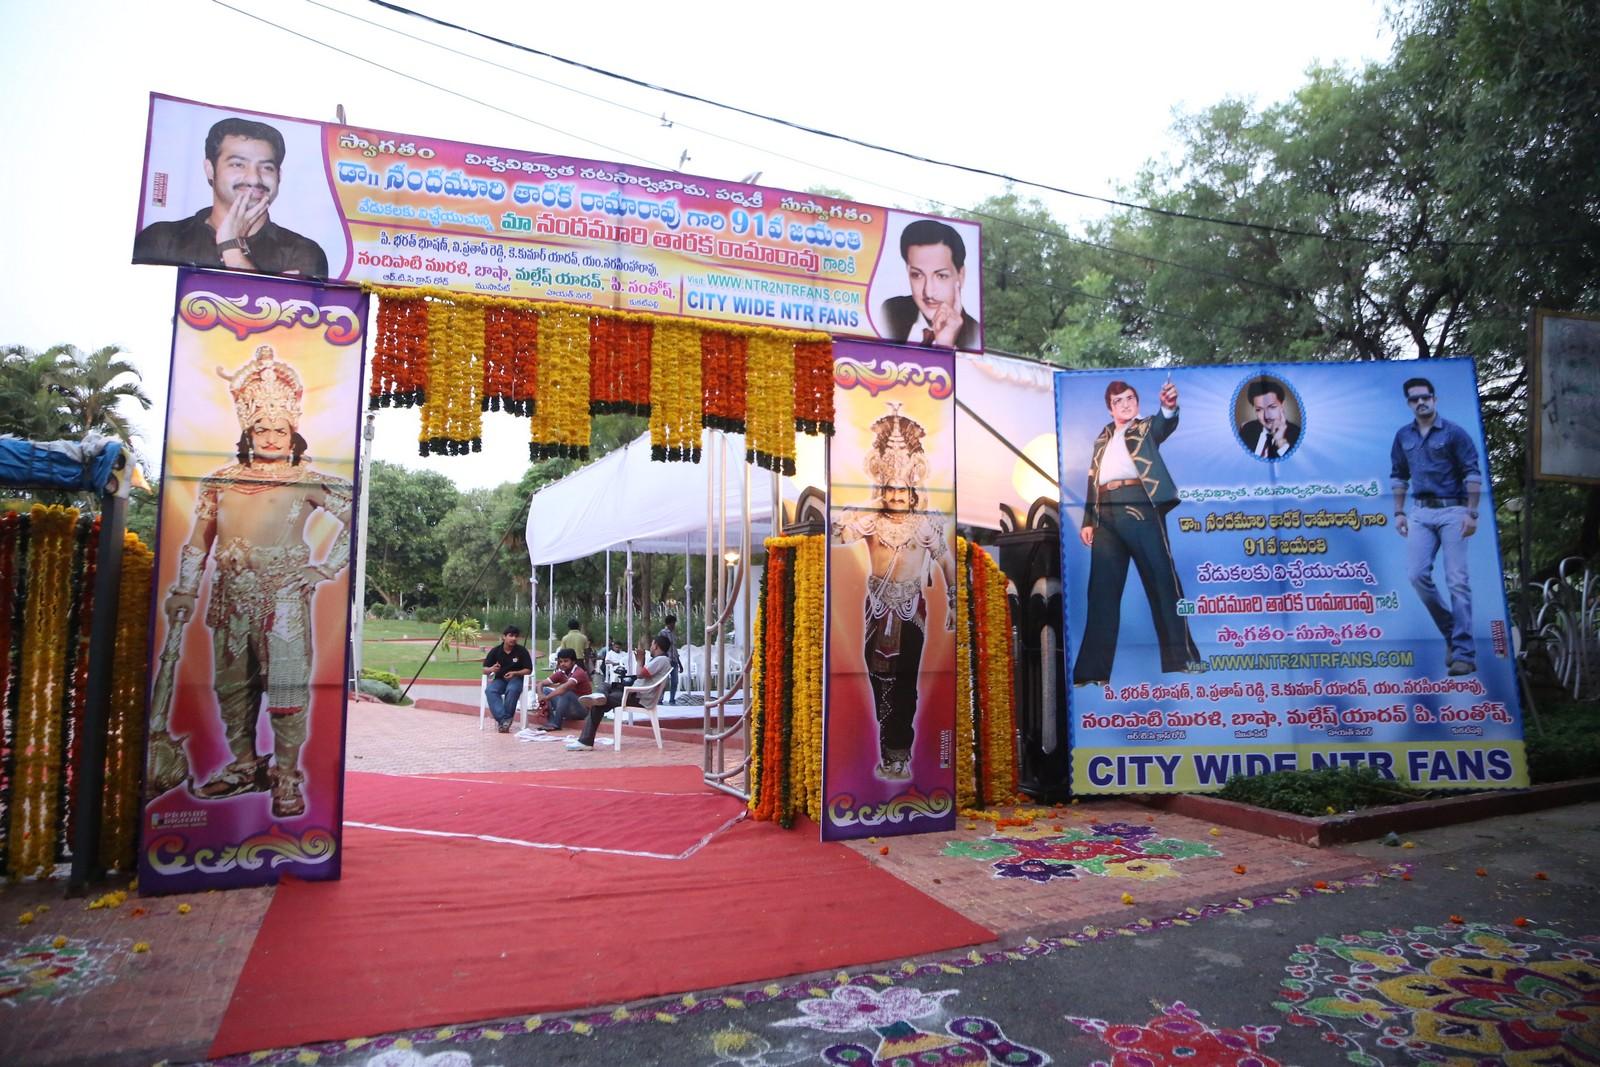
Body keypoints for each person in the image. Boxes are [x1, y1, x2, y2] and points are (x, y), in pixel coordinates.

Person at [161, 345, 351, 818]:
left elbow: (356, 521)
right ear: (248, 430)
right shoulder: (220, 481)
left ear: (294, 433)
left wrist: (324, 568)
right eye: (262, 428)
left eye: (280, 428)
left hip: (284, 597)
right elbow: (198, 542)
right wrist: (185, 588)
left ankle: (286, 774)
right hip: (228, 600)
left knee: (285, 690)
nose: (270, 436)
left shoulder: (309, 480)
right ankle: (244, 765)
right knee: (232, 688)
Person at [830, 404, 957, 781]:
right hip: (876, 611)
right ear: (881, 486)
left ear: (914, 488)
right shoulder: (869, 520)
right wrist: (868, 504)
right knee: (876, 678)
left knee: (904, 683)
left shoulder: (926, 524)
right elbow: (836, 535)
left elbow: (947, 563)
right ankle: (887, 747)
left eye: (903, 489)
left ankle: (899, 753)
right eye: (890, 488)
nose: (897, 495)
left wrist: (953, 601)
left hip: (911, 611)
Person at [1073, 378, 1202, 686]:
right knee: (1101, 592)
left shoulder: (1145, 428)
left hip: (1139, 504)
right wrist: (1089, 519)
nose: (1126, 404)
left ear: (1137, 402)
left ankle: (1183, 658)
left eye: (1130, 398)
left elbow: (1164, 425)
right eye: (1119, 401)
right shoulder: (1102, 437)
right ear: (1110, 407)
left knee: (1162, 580)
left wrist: (1169, 407)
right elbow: (1093, 478)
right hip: (1105, 510)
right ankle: (1092, 671)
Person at [133, 116, 329, 278]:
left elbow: (284, 322)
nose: (254, 178)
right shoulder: (162, 240)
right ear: (210, 169)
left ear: (280, 176)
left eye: (267, 167)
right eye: (238, 164)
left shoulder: (302, 252)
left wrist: (232, 247)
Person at [1390, 377, 1484, 677]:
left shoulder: (1455, 433)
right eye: (1415, 399)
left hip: (1454, 510)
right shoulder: (1403, 436)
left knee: (1457, 580)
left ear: (1435, 398)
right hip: (1420, 513)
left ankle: (1464, 654)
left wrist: (1472, 513)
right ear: (1409, 403)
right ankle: (1452, 635)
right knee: (1417, 575)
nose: (1421, 402)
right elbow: (1398, 475)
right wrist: (1399, 513)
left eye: (1425, 397)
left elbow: (1472, 472)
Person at [878, 219, 980, 349]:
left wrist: (945, 346)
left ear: (961, 275)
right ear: (907, 270)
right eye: (917, 275)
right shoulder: (890, 311)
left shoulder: (974, 335)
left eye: (941, 276)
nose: (929, 292)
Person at [565, 634, 674, 751]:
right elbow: (642, 675)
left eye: (652, 644)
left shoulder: (661, 660)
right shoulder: (661, 660)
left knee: (598, 705)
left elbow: (640, 674)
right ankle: (600, 695)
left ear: (656, 646)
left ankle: (585, 741)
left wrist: (640, 661)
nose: (651, 647)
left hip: (638, 697)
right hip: (635, 694)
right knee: (605, 685)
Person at [481, 625, 534, 732]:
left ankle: (504, 723)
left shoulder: (521, 651)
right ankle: (504, 719)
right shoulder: (495, 651)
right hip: (500, 680)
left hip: (516, 679)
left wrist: (515, 673)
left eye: (516, 636)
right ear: (504, 637)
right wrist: (492, 669)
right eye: (511, 635)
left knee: (512, 689)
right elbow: (484, 670)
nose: (513, 638)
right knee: (490, 690)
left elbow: (528, 670)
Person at [1238, 377, 1301, 459]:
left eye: (1272, 407)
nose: (1266, 416)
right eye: (1259, 409)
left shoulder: (1298, 435)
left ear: (1281, 406)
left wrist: (1280, 441)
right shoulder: (1247, 429)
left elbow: (1296, 467)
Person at [533, 647, 592, 731]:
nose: (562, 664)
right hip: (567, 707)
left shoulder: (579, 672)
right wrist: (540, 695)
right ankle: (551, 720)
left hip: (581, 710)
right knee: (545, 690)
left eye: (566, 661)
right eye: (560, 661)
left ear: (573, 661)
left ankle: (557, 723)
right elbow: (540, 684)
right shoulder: (561, 673)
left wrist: (546, 698)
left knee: (566, 692)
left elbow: (564, 688)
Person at [657, 614, 683, 704]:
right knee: (664, 681)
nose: (674, 626)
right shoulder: (663, 633)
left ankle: (672, 698)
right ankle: (660, 698)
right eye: (672, 624)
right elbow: (660, 647)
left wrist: (680, 663)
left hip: (674, 660)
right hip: (666, 661)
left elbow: (674, 649)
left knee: (675, 681)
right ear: (668, 624)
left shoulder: (673, 634)